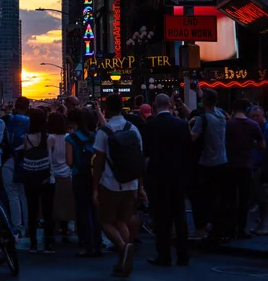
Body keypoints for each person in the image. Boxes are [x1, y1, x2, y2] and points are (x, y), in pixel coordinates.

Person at [93, 93, 145, 277]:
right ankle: (124, 257)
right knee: (122, 221)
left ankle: (123, 247)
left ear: (107, 108)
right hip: (130, 183)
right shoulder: (133, 129)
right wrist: (140, 187)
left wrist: (95, 188)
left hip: (110, 183)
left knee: (105, 221)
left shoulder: (103, 132)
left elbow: (98, 162)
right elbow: (139, 160)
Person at [142, 94, 191, 266]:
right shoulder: (181, 124)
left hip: (158, 176)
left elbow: (146, 152)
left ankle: (164, 255)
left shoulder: (151, 125)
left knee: (161, 218)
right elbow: (188, 149)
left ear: (154, 105)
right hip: (178, 175)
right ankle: (183, 255)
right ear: (169, 104)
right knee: (180, 216)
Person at [190, 88, 228, 241]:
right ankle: (218, 227)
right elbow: (209, 100)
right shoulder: (221, 115)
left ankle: (205, 228)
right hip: (222, 161)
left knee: (204, 198)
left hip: (207, 163)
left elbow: (191, 138)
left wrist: (188, 124)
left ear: (204, 101)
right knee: (218, 197)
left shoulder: (202, 119)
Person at [225, 99, 265, 239]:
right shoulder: (253, 125)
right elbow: (262, 145)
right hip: (247, 165)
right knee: (244, 199)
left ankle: (230, 228)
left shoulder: (228, 125)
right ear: (247, 110)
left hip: (230, 165)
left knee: (230, 198)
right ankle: (241, 229)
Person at [17, 109, 56, 253]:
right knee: (48, 212)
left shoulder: (25, 138)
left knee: (32, 211)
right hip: (47, 178)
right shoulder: (49, 138)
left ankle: (33, 243)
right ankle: (48, 243)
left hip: (30, 178)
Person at [66, 108, 103, 257]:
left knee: (82, 211)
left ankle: (84, 245)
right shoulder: (97, 137)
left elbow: (69, 162)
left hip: (79, 176)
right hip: (95, 176)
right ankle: (97, 244)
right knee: (95, 211)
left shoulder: (71, 138)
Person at [248, 105, 268, 236]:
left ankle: (266, 226)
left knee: (266, 198)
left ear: (263, 116)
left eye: (257, 116)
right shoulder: (258, 129)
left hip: (265, 168)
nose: (255, 119)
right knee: (262, 198)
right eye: (252, 116)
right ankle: (263, 224)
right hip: (257, 167)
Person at [3, 97, 31, 235]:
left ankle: (17, 226)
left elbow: (4, 139)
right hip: (26, 160)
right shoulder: (30, 122)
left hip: (9, 158)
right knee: (24, 195)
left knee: (12, 194)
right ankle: (27, 226)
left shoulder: (8, 120)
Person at [47, 112, 75, 243]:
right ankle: (65, 231)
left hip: (53, 175)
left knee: (53, 205)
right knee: (66, 205)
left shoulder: (49, 138)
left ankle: (53, 231)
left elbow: (48, 159)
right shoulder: (68, 137)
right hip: (67, 174)